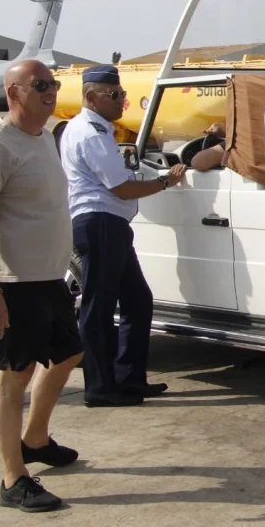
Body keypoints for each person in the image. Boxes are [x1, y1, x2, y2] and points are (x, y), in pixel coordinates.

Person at [0, 60, 82, 513]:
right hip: (13, 283)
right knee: (13, 375)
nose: (51, 91)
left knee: (68, 354)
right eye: (40, 84)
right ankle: (13, 478)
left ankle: (36, 439)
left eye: (53, 84)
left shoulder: (42, 138)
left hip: (49, 278)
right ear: (13, 93)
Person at [58, 65, 186, 408]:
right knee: (98, 307)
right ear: (90, 97)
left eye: (122, 94)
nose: (121, 101)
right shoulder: (90, 133)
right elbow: (123, 188)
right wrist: (165, 181)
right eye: (114, 95)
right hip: (100, 223)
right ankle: (100, 387)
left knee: (137, 300)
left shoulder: (96, 129)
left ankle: (129, 379)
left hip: (110, 224)